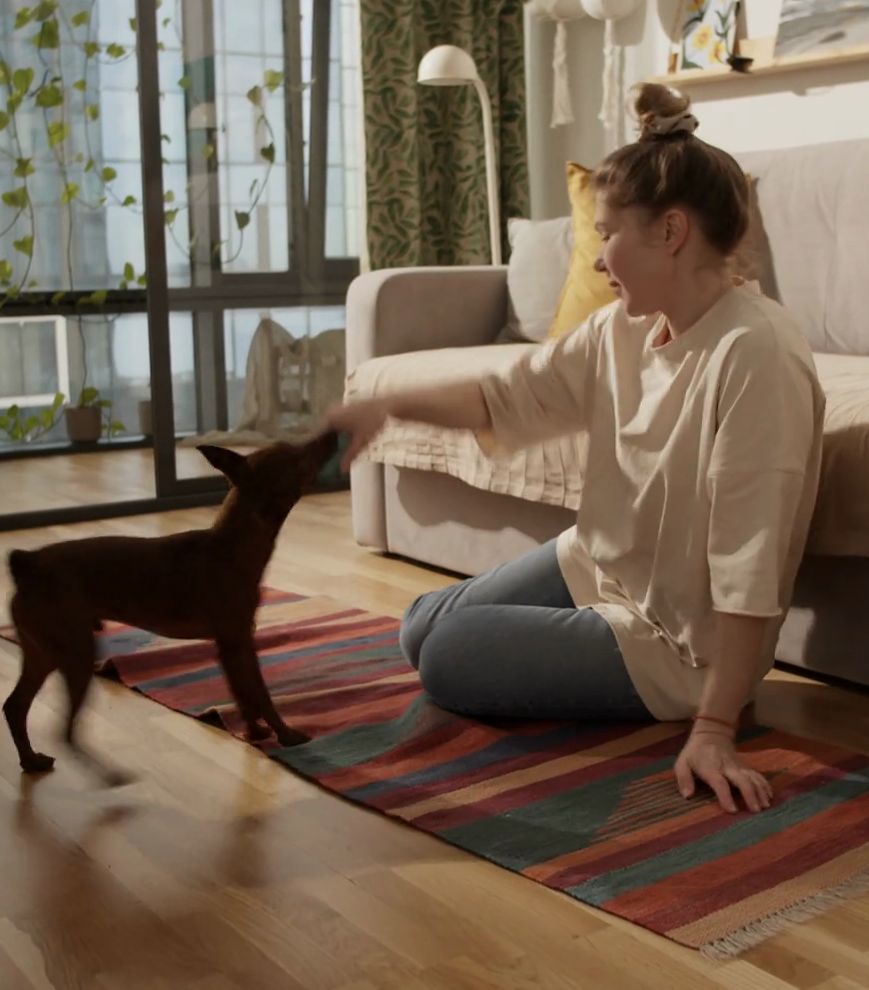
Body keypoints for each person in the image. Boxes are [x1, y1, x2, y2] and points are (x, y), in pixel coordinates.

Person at [326, 83, 824, 815]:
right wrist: (389, 403)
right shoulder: (623, 328)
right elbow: (507, 397)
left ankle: (686, 692)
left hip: (676, 644)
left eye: (606, 234)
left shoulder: (755, 353)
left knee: (448, 655)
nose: (596, 261)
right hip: (601, 564)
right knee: (419, 626)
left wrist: (715, 727)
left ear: (671, 231)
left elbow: (749, 560)